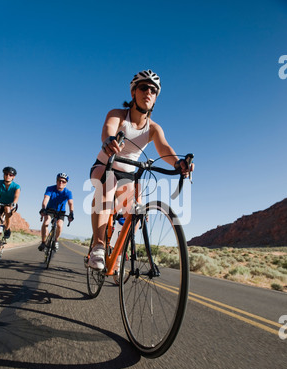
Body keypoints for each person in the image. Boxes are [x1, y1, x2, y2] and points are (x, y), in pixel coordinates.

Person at [88, 69, 194, 271]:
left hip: (130, 174)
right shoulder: (118, 114)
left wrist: (178, 164)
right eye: (144, 87)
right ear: (133, 93)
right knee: (106, 187)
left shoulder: (154, 128)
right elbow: (108, 129)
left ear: (155, 99)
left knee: (137, 213)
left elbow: (164, 148)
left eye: (154, 91)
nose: (149, 92)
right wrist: (109, 140)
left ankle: (119, 252)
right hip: (105, 165)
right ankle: (98, 247)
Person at [38, 173, 74, 252]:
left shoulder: (68, 192)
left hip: (61, 211)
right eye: (59, 180)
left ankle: (56, 241)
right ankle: (43, 242)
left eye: (63, 181)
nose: (61, 183)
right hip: (50, 209)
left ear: (66, 183)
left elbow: (70, 203)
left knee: (59, 225)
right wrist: (43, 208)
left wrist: (71, 213)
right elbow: (46, 199)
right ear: (56, 181)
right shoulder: (50, 188)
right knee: (46, 222)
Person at [0, 166, 21, 239]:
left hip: (10, 205)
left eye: (10, 175)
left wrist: (14, 203)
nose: (8, 176)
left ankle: (7, 229)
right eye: (6, 174)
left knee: (7, 209)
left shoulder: (16, 186)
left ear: (13, 177)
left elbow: (16, 196)